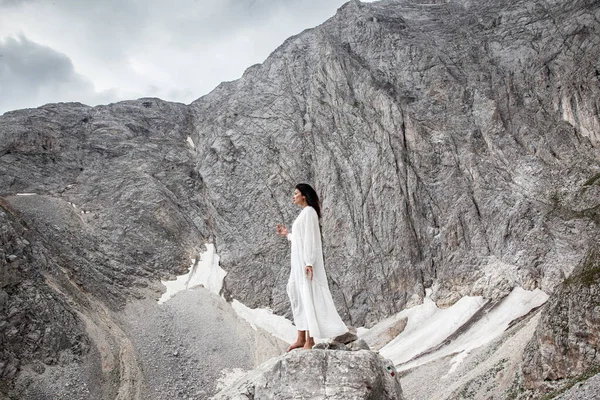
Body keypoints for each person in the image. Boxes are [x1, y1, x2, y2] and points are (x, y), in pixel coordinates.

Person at [276, 183, 348, 351]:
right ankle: (301, 337)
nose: (293, 196)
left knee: (307, 296)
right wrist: (287, 234)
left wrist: (309, 262)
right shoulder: (304, 214)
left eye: (296, 193)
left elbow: (311, 240)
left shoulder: (309, 213)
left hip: (304, 263)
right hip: (298, 262)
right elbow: (301, 239)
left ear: (304, 195)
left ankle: (310, 340)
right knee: (298, 295)